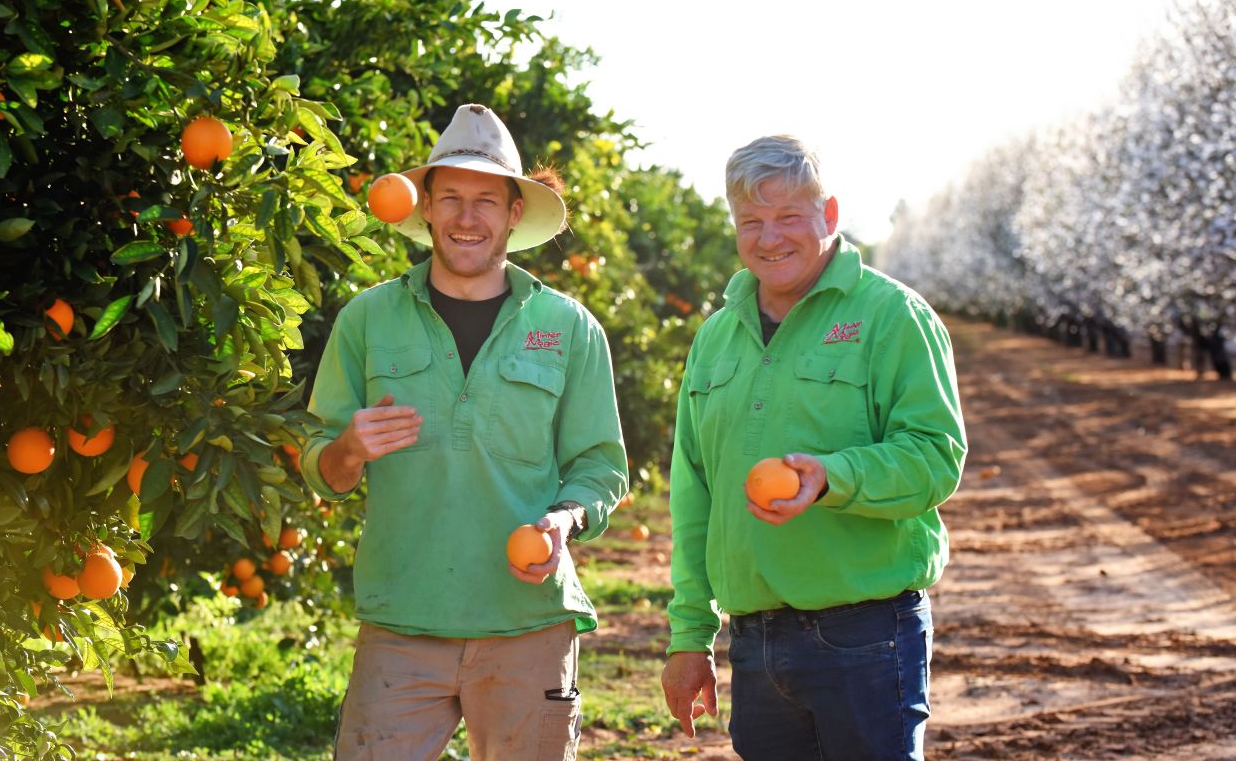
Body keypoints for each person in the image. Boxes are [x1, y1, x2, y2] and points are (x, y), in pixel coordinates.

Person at [301, 103, 629, 761]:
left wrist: (565, 520)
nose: (467, 217)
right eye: (450, 197)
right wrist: (348, 450)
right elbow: (322, 469)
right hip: (401, 622)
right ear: (425, 207)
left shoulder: (569, 328)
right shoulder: (368, 321)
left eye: (486, 199)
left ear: (513, 213)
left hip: (528, 621)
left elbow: (601, 467)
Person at [659, 135, 967, 760]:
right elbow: (695, 496)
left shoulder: (892, 317)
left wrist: (832, 477)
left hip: (867, 635)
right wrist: (689, 636)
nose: (769, 238)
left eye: (788, 217)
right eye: (751, 222)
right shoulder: (716, 338)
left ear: (828, 216)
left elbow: (936, 457)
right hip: (755, 642)